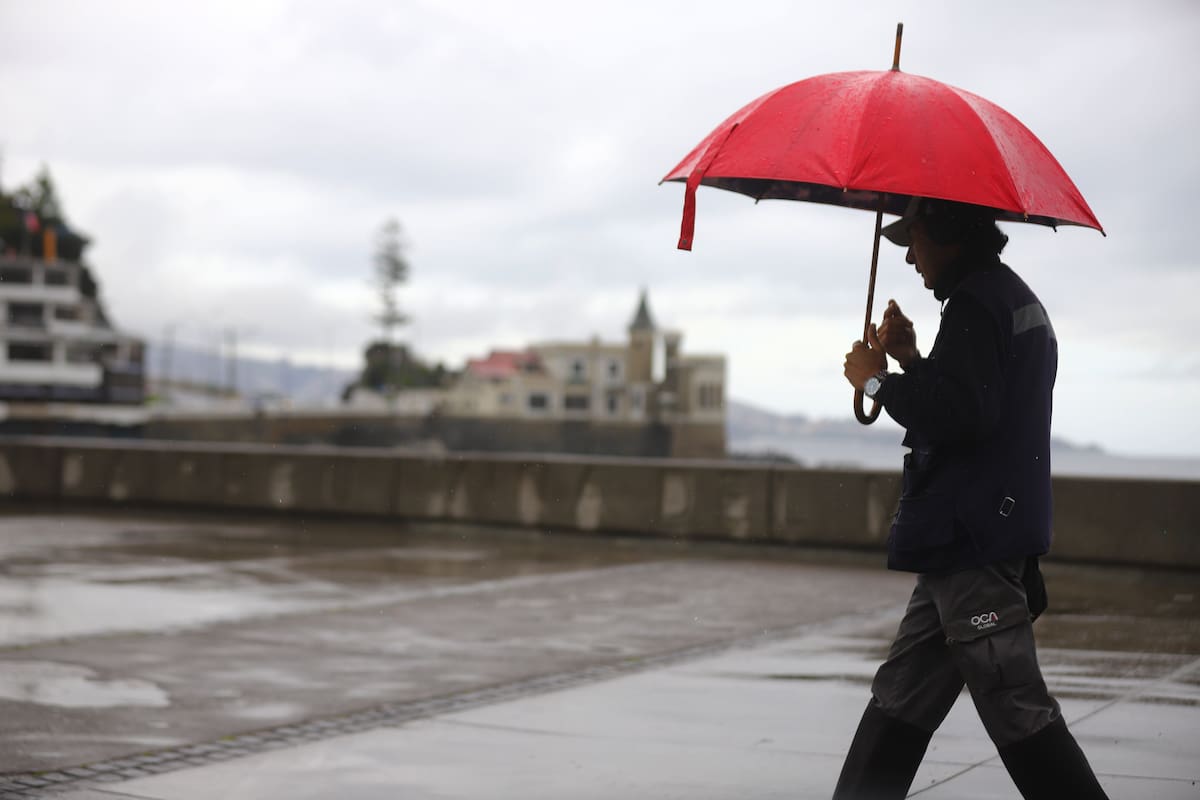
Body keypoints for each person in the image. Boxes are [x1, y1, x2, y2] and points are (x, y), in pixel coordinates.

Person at [835, 197, 1109, 800]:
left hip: (972, 540)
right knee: (902, 695)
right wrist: (911, 359)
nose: (908, 255)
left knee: (1015, 705)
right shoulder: (1004, 297)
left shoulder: (976, 303)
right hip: (965, 539)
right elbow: (979, 398)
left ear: (950, 235)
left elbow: (961, 418)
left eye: (916, 239)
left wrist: (876, 380)